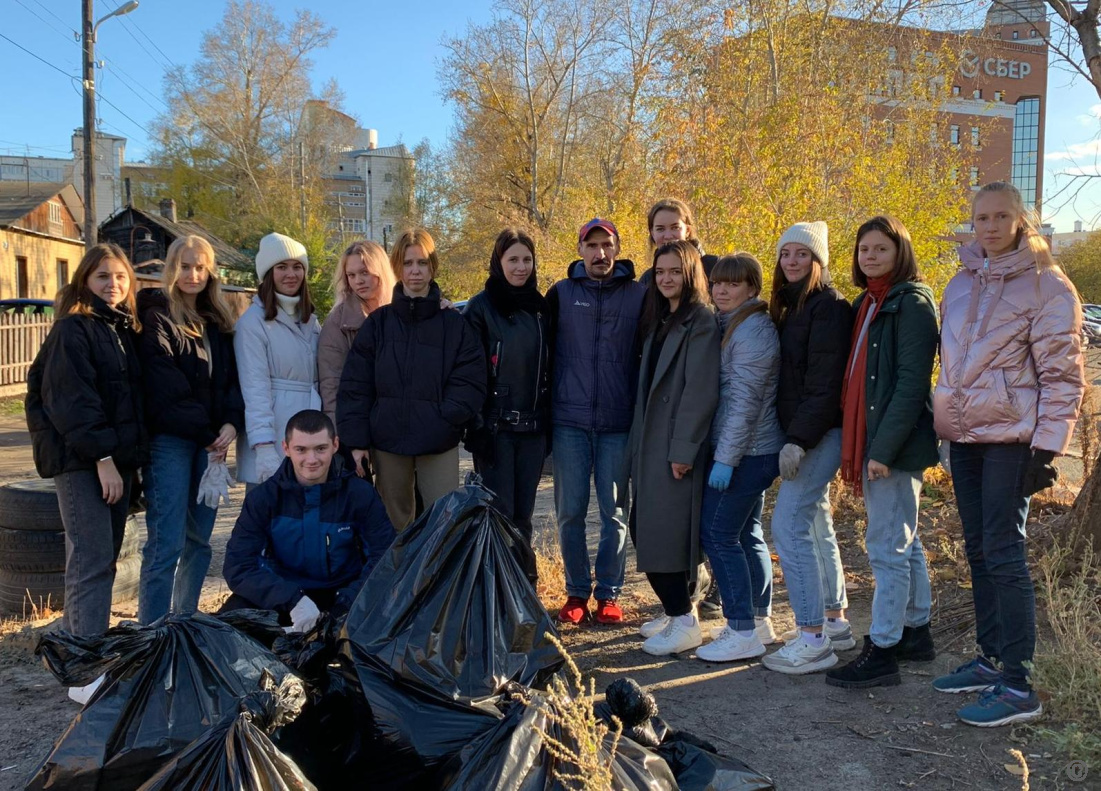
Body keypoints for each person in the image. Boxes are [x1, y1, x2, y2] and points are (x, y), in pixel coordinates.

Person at [932, 182, 1085, 726]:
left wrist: (1048, 449)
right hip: (966, 438)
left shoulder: (1048, 286)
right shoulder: (960, 282)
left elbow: (1063, 375)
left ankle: (1019, 685)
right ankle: (990, 659)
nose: (990, 226)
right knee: (977, 548)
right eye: (981, 217)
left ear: (1022, 220)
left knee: (1003, 552)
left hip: (1014, 441)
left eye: (1001, 216)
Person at [25, 243, 147, 703]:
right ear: (84, 283)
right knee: (91, 561)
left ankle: (83, 656)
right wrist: (103, 461)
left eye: (119, 277)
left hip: (112, 462)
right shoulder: (74, 330)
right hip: (83, 464)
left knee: (101, 560)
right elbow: (70, 402)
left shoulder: (117, 330)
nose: (113, 285)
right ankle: (83, 672)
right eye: (102, 278)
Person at [824, 217, 939, 689]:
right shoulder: (869, 301)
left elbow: (912, 385)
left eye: (880, 249)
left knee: (886, 547)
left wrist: (882, 450)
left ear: (900, 252)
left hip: (893, 445)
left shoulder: (909, 304)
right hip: (876, 439)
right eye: (863, 249)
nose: (869, 256)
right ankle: (917, 631)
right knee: (903, 540)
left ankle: (884, 649)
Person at [338, 228, 486, 530]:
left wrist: (447, 417)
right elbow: (356, 385)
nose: (415, 271)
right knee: (394, 526)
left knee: (443, 522)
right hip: (388, 442)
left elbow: (471, 378)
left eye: (421, 262)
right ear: (397, 267)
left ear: (432, 266)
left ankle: (437, 579)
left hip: (438, 441)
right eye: (408, 263)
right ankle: (400, 579)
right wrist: (356, 441)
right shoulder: (379, 324)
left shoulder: (453, 325)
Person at [760, 221, 855, 676]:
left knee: (789, 523)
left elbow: (824, 384)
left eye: (802, 254)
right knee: (815, 518)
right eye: (786, 254)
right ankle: (835, 622)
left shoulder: (829, 308)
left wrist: (798, 439)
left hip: (819, 433)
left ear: (819, 261)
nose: (792, 261)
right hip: (805, 431)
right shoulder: (793, 307)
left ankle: (813, 638)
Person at [136, 235, 244, 624]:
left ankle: (184, 625)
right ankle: (151, 636)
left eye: (200, 266)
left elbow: (233, 381)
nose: (193, 274)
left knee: (200, 542)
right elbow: (166, 389)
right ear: (171, 268)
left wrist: (232, 423)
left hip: (212, 444)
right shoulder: (157, 316)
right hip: (172, 443)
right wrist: (209, 434)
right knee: (166, 543)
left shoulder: (219, 319)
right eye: (185, 266)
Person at [547, 218, 646, 626]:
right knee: (570, 512)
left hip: (617, 423)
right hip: (568, 421)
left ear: (617, 248)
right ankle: (575, 592)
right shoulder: (561, 294)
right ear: (580, 249)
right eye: (592, 245)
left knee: (615, 513)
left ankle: (608, 593)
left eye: (607, 245)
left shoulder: (639, 296)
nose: (600, 253)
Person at [690, 253, 786, 662]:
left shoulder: (753, 332)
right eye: (717, 283)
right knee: (747, 534)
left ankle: (740, 628)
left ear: (752, 288)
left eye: (733, 283)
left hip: (749, 451)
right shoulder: (734, 324)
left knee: (717, 534)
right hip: (753, 450)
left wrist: (725, 460)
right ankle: (760, 621)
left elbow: (744, 403)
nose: (722, 290)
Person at [221, 410, 395, 630]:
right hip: (284, 597)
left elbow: (385, 557)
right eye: (301, 450)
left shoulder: (360, 495)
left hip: (345, 597)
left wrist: (346, 604)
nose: (311, 460)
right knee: (228, 626)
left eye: (320, 449)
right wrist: (292, 600)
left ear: (335, 445)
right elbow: (238, 566)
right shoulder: (264, 499)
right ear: (286, 448)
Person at [628, 241, 719, 655]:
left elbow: (700, 390)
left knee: (662, 533)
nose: (665, 278)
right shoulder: (661, 316)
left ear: (690, 273)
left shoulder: (700, 320)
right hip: (651, 438)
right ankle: (674, 612)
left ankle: (684, 618)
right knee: (645, 526)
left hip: (674, 446)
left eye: (674, 271)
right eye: (660, 271)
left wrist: (683, 449)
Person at [462, 228, 551, 580]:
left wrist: (549, 423)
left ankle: (523, 592)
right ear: (498, 262)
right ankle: (496, 592)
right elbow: (470, 372)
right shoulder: (481, 307)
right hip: (495, 431)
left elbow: (550, 370)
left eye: (526, 259)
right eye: (512, 259)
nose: (520, 267)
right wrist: (476, 425)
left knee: (522, 518)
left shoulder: (542, 308)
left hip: (532, 430)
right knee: (497, 516)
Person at [236, 232, 322, 489]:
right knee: (267, 519)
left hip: (309, 435)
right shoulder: (253, 323)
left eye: (297, 267)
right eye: (281, 267)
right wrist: (263, 446)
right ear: (268, 273)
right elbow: (255, 388)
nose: (291, 274)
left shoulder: (310, 320)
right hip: (275, 436)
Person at [318, 240, 395, 424]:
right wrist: (339, 435)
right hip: (360, 426)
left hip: (399, 425)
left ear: (380, 271)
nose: (358, 281)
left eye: (364, 272)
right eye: (351, 275)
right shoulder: (338, 321)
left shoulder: (400, 312)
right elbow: (331, 384)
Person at [637, 199, 718, 285]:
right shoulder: (648, 280)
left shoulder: (715, 268)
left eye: (675, 228)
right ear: (652, 234)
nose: (668, 236)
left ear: (687, 230)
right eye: (660, 229)